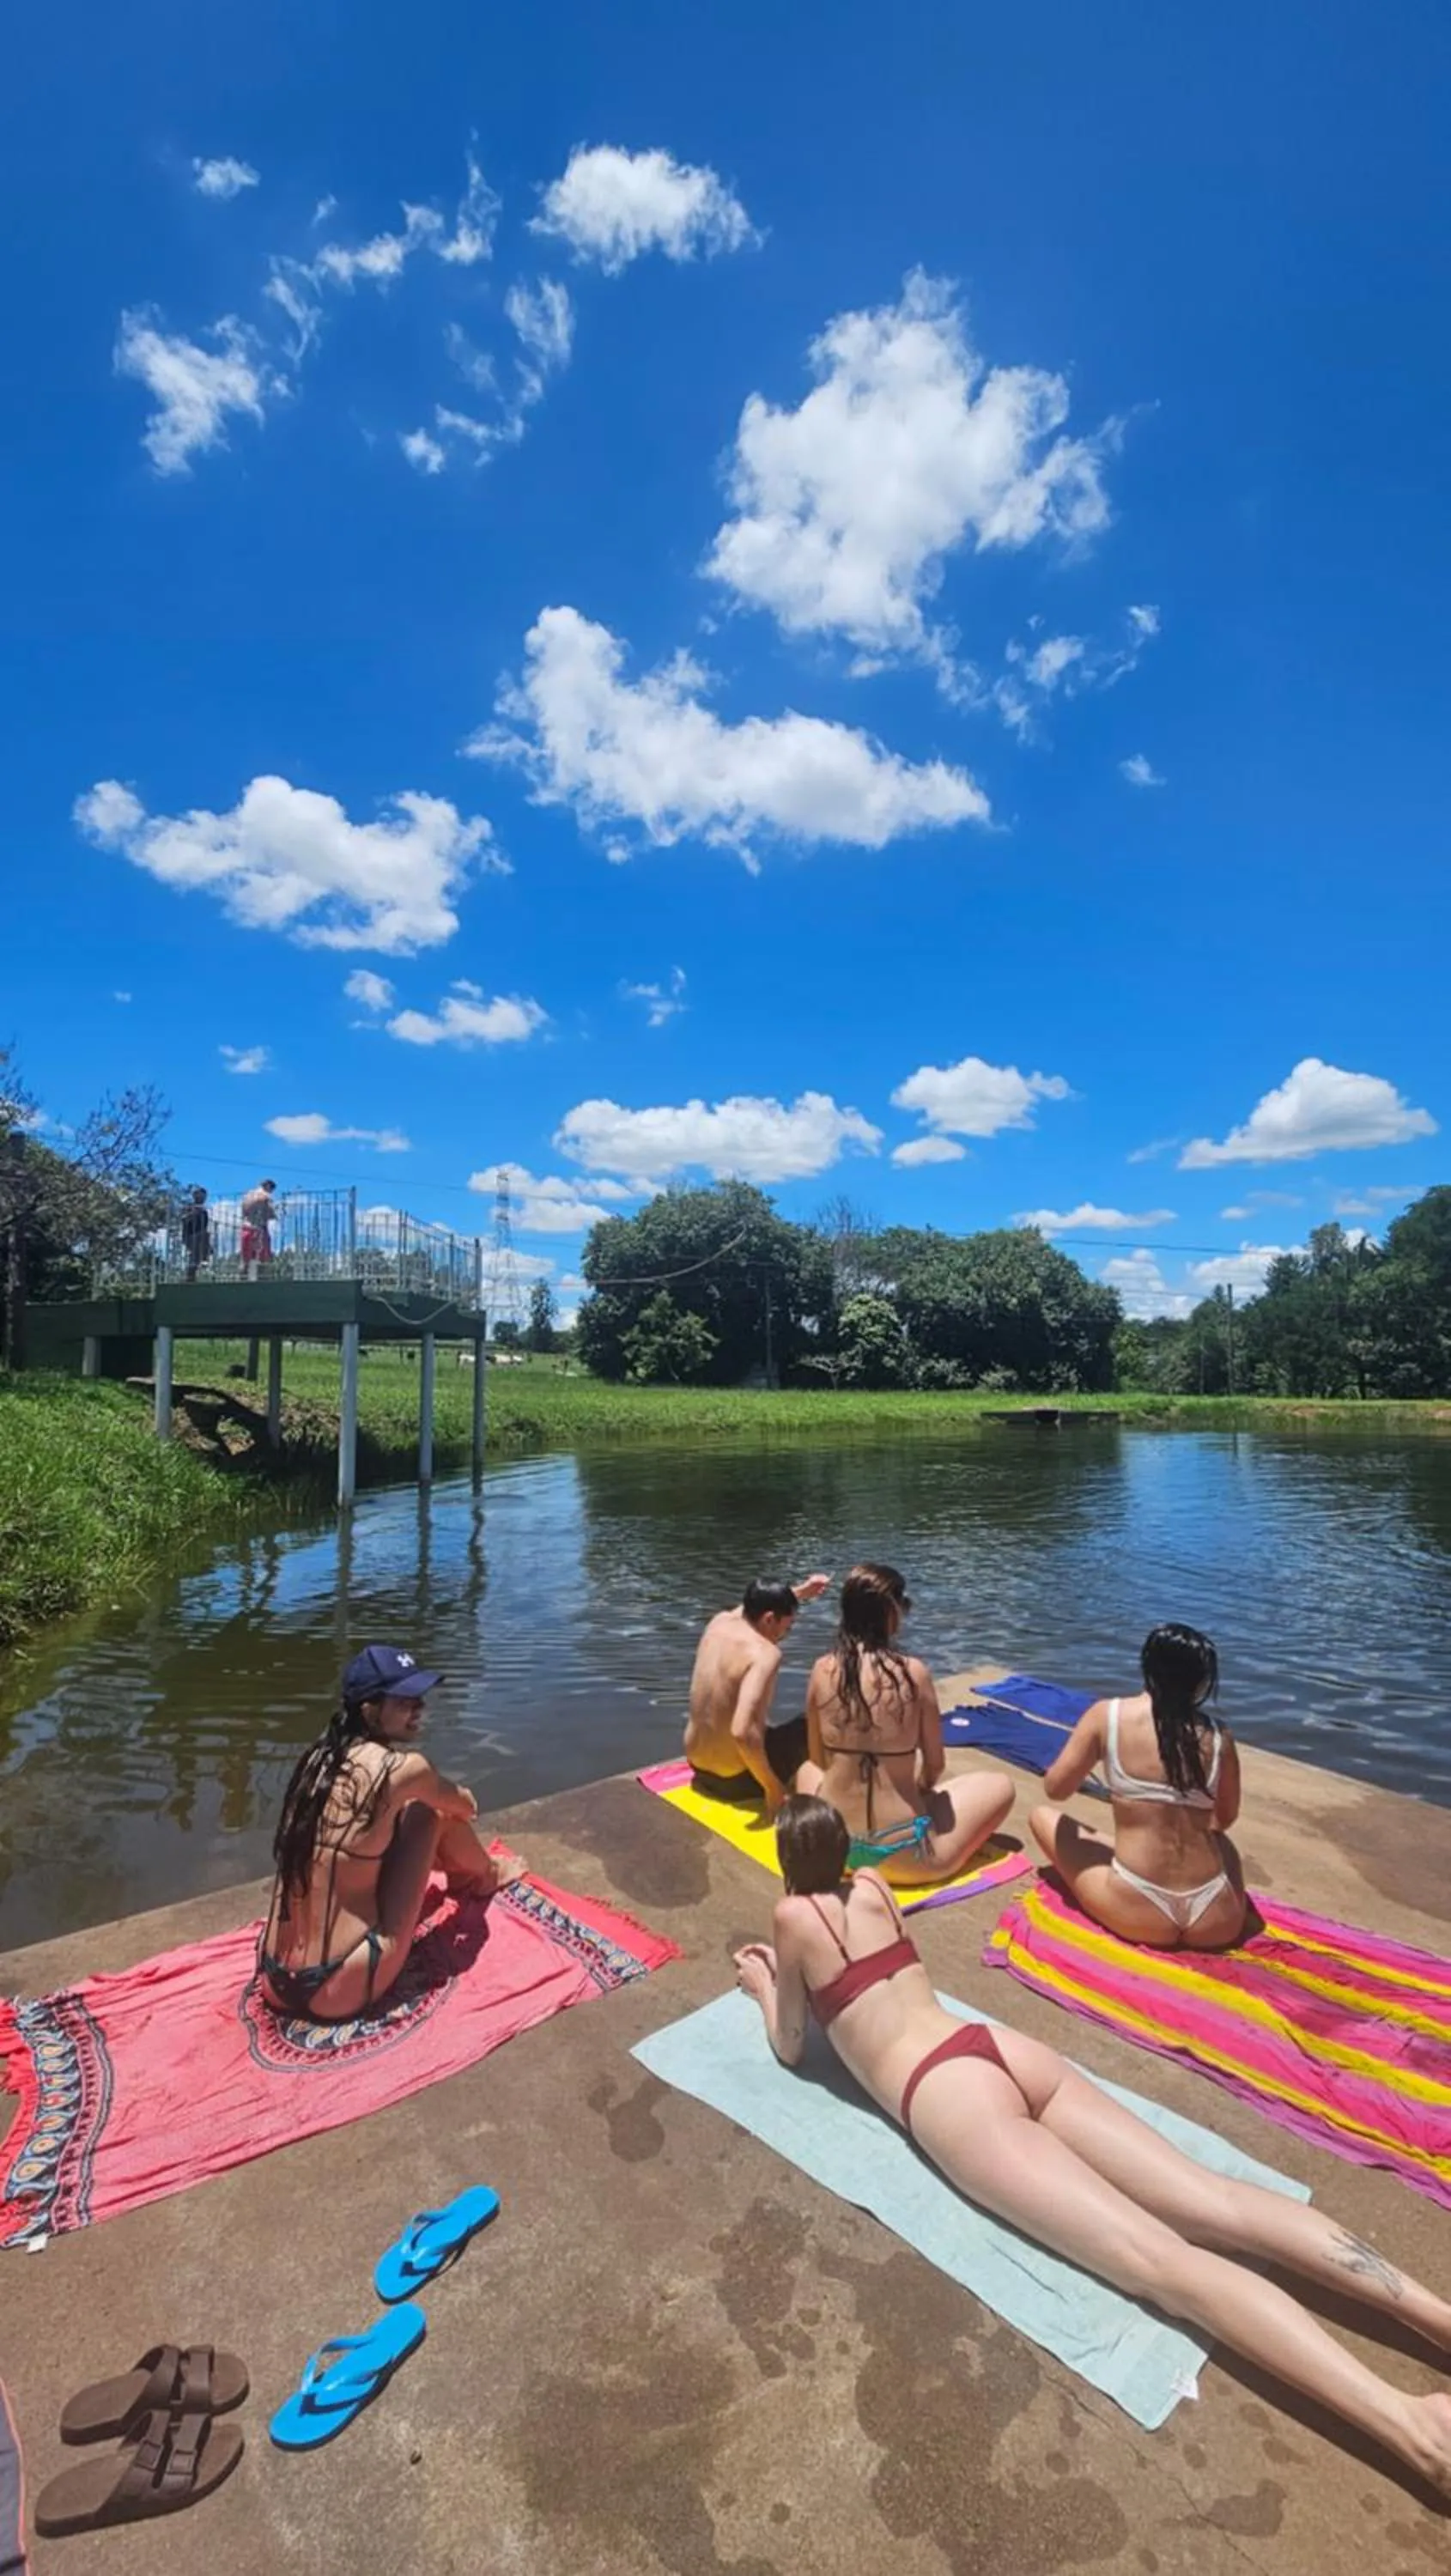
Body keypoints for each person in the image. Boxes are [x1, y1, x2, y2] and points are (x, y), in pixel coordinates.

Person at [735, 1795, 1451, 2495]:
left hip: (947, 2096)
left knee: (1164, 2264)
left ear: (788, 1860)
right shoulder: (874, 1884)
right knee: (1215, 2199)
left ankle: (1412, 2428)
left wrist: (767, 1985)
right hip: (998, 2049)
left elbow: (795, 2045)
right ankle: (1439, 2320)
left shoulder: (793, 1916)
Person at [258, 1644, 519, 2021]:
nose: (419, 1709)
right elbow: (464, 1807)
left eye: (419, 1700)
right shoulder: (402, 1769)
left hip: (276, 1978)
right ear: (369, 1710)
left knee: (386, 1829)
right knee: (431, 1814)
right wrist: (452, 1799)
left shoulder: (316, 1759)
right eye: (405, 1702)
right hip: (342, 1983)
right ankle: (486, 1875)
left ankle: (473, 1875)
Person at [1028, 1624, 1247, 1949]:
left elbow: (1056, 1789)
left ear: (1146, 1665)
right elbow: (1224, 1818)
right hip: (1216, 1919)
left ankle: (1127, 1856)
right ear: (1200, 1680)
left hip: (1138, 1908)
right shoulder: (1219, 1736)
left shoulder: (1108, 1715)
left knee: (1041, 1816)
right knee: (1222, 1843)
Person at [794, 1564, 1012, 1886]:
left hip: (833, 1851)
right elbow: (935, 1765)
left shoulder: (821, 1669)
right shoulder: (913, 1673)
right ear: (891, 1612)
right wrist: (919, 1791)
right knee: (999, 1785)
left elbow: (818, 1760)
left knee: (805, 1770)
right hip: (907, 1858)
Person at [683, 1574, 832, 1811]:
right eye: (787, 1627)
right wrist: (773, 1789)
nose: (785, 1635)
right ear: (770, 1619)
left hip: (697, 1768)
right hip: (735, 1783)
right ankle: (812, 1803)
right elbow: (742, 1731)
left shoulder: (718, 1622)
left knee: (766, 1725)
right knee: (811, 1726)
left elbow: (753, 1604)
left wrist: (801, 1591)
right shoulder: (765, 1654)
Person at [240, 1177, 277, 1278]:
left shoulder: (247, 1195)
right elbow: (272, 1214)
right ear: (268, 1186)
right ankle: (260, 1280)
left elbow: (244, 1212)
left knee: (247, 1258)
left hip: (246, 1227)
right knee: (262, 1258)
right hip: (259, 1229)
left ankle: (245, 1278)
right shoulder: (265, 1196)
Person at [178, 1185, 210, 1280]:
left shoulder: (204, 1211)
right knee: (198, 1250)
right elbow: (184, 1219)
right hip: (189, 1236)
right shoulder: (189, 1207)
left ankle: (191, 1274)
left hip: (200, 1237)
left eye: (204, 1197)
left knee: (196, 1255)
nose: (202, 1199)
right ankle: (202, 1261)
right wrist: (193, 1213)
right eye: (200, 1196)